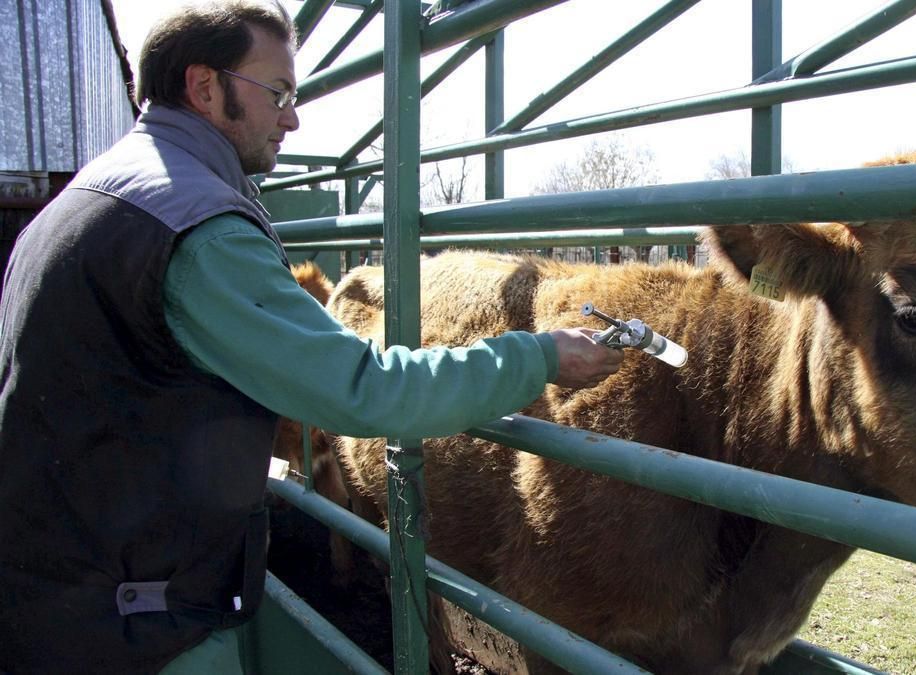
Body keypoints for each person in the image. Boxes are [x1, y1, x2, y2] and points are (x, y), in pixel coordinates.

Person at [0, 1, 623, 672]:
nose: (292, 117)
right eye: (279, 94)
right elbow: (368, 390)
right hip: (135, 630)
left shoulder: (86, 197)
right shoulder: (197, 229)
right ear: (204, 87)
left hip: (59, 596)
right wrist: (537, 354)